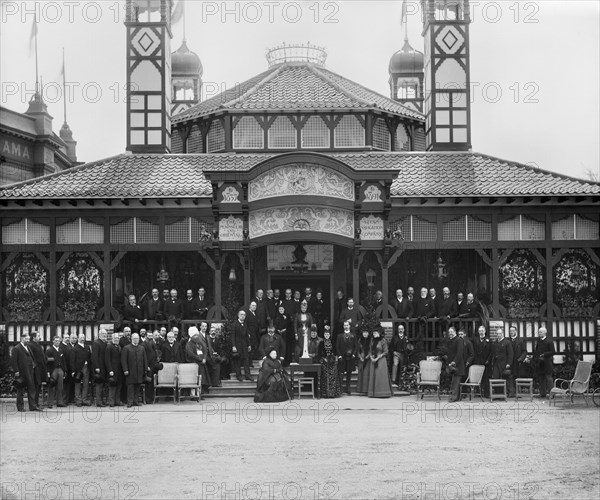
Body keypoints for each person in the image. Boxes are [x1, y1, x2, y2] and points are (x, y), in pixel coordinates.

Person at [12, 332, 39, 412]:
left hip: (30, 372)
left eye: (28, 339)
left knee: (31, 389)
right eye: (26, 339)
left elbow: (31, 358)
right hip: (22, 373)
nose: (27, 340)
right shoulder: (16, 348)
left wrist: (34, 365)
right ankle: (20, 407)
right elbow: (14, 361)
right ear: (22, 338)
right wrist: (16, 371)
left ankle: (33, 407)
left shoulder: (28, 347)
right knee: (20, 390)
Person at [121, 332, 149, 408]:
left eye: (137, 339)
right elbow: (123, 360)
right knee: (130, 387)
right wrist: (125, 370)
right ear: (131, 339)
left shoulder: (141, 348)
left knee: (137, 387)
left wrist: (145, 369)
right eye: (134, 338)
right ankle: (129, 402)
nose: (136, 340)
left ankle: (136, 401)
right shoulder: (127, 348)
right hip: (130, 371)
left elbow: (145, 359)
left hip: (139, 371)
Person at [367, 328, 393, 398]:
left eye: (375, 333)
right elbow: (370, 350)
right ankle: (373, 393)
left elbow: (386, 351)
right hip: (373, 360)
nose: (374, 334)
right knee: (373, 376)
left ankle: (382, 393)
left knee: (380, 376)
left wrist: (377, 358)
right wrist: (371, 358)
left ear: (379, 333)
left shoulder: (383, 340)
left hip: (381, 360)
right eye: (373, 333)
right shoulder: (372, 340)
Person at [185, 326, 211, 395]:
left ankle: (200, 393)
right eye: (194, 335)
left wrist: (204, 358)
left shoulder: (200, 342)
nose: (196, 336)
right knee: (194, 380)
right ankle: (194, 395)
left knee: (202, 379)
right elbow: (191, 354)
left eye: (197, 335)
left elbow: (205, 350)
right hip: (194, 364)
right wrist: (200, 359)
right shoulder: (189, 344)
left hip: (202, 364)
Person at [317, 327, 341, 398]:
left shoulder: (332, 342)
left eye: (328, 334)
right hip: (325, 362)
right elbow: (319, 353)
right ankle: (326, 394)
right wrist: (324, 359)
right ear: (324, 335)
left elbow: (335, 351)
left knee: (333, 377)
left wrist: (334, 358)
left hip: (332, 362)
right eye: (325, 334)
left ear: (329, 334)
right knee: (325, 377)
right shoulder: (321, 343)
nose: (326, 335)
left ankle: (332, 394)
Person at [532, 327, 555, 398]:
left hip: (547, 362)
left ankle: (552, 394)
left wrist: (544, 354)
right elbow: (536, 351)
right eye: (539, 332)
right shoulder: (538, 341)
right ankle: (543, 393)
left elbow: (553, 352)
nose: (539, 334)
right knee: (541, 378)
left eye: (541, 332)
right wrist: (535, 359)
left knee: (549, 378)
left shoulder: (549, 341)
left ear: (545, 333)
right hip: (540, 363)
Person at [71, 333, 92, 407]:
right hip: (78, 368)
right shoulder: (75, 348)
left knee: (86, 384)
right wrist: (73, 371)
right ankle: (78, 400)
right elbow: (72, 360)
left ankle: (84, 399)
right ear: (78, 338)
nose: (82, 339)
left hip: (86, 367)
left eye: (83, 337)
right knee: (78, 384)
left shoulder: (87, 347)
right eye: (81, 337)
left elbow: (90, 357)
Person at [337, 321, 357, 395]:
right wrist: (339, 356)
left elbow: (356, 346)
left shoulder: (353, 335)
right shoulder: (339, 336)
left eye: (347, 325)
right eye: (344, 325)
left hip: (350, 357)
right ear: (343, 326)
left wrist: (354, 354)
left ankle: (348, 388)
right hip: (342, 357)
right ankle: (340, 389)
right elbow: (337, 347)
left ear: (349, 326)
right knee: (341, 373)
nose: (346, 326)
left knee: (349, 373)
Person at [232, 310, 253, 382]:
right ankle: (239, 375)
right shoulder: (235, 324)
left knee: (246, 361)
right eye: (241, 314)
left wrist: (249, 345)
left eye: (244, 315)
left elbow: (247, 335)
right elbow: (232, 336)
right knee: (238, 361)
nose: (243, 316)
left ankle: (248, 375)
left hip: (245, 345)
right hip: (237, 345)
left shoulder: (245, 324)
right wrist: (233, 346)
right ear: (238, 315)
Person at [445, 327, 465, 402]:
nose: (450, 333)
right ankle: (456, 397)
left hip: (458, 365)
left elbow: (459, 353)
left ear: (455, 332)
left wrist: (454, 362)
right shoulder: (450, 340)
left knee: (456, 382)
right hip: (452, 365)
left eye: (451, 332)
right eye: (449, 332)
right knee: (454, 381)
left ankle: (454, 397)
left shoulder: (459, 340)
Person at [46, 335, 66, 408]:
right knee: (52, 385)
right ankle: (50, 403)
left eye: (59, 341)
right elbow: (47, 362)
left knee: (60, 386)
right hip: (53, 369)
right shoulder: (49, 350)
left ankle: (59, 402)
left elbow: (63, 361)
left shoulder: (61, 350)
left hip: (60, 369)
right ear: (53, 341)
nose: (57, 342)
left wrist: (64, 370)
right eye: (56, 341)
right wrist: (48, 372)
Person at [28, 331, 46, 408]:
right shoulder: (30, 345)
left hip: (40, 369)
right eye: (38, 336)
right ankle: (33, 405)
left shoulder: (37, 345)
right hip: (35, 369)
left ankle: (36, 403)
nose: (40, 337)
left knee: (38, 386)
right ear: (34, 337)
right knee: (34, 387)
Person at [473, 325, 492, 397]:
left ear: (485, 331)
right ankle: (478, 393)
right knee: (477, 377)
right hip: (478, 361)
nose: (481, 332)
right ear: (478, 332)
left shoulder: (489, 340)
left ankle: (487, 394)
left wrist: (488, 360)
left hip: (486, 362)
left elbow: (491, 352)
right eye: (480, 331)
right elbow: (474, 351)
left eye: (482, 331)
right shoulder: (475, 340)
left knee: (486, 378)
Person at [508, 326, 527, 397]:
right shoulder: (507, 341)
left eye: (512, 331)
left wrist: (520, 359)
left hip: (518, 362)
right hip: (510, 362)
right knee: (510, 377)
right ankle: (511, 392)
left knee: (518, 377)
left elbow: (524, 352)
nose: (511, 332)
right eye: (510, 331)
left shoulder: (520, 341)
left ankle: (518, 393)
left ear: (516, 331)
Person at [105, 332, 123, 407]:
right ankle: (111, 402)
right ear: (112, 339)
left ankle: (117, 401)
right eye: (115, 338)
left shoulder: (119, 347)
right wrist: (110, 370)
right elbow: (107, 360)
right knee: (112, 386)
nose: (116, 339)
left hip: (119, 370)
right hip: (113, 370)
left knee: (119, 386)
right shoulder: (109, 347)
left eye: (118, 338)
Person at [91, 328, 108, 407]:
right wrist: (96, 367)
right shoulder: (96, 343)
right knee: (99, 385)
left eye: (105, 334)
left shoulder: (104, 343)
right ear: (99, 334)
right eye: (103, 334)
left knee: (103, 385)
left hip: (104, 367)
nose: (105, 335)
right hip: (99, 368)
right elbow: (94, 356)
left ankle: (102, 400)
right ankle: (98, 402)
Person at [60, 333, 75, 405]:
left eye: (68, 337)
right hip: (64, 369)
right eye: (66, 337)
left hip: (69, 368)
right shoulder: (61, 346)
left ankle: (68, 400)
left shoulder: (68, 346)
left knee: (68, 385)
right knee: (64, 386)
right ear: (62, 338)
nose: (67, 339)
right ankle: (63, 401)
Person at [356, 329, 371, 395]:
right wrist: (360, 357)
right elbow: (357, 350)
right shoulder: (359, 340)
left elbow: (372, 350)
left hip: (368, 358)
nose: (365, 334)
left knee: (366, 374)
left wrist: (368, 356)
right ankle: (360, 389)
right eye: (364, 332)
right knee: (361, 373)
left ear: (368, 333)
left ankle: (366, 390)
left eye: (366, 332)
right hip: (361, 358)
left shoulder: (371, 340)